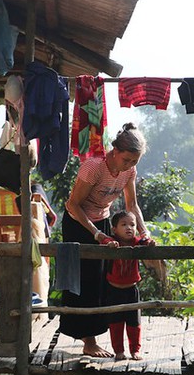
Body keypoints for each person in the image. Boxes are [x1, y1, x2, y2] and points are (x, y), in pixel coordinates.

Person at [62, 123, 150, 357]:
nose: (130, 166)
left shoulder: (129, 171)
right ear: (115, 151)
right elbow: (73, 204)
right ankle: (88, 342)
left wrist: (144, 232)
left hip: (102, 221)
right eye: (127, 160)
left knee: (103, 279)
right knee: (83, 280)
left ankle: (93, 337)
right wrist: (96, 234)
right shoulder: (94, 167)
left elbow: (132, 205)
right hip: (77, 223)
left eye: (135, 162)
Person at [102, 210, 154, 360]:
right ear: (114, 229)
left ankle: (135, 350)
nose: (129, 228)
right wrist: (110, 244)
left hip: (131, 291)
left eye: (132, 225)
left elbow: (145, 242)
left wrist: (150, 242)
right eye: (123, 225)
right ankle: (118, 351)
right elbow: (104, 241)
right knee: (115, 323)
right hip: (113, 291)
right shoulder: (111, 241)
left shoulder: (136, 242)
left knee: (134, 324)